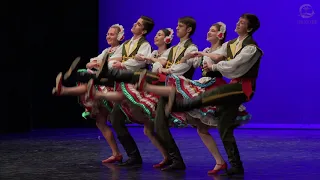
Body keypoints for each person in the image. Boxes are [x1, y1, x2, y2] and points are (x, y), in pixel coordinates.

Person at [144, 13, 262, 176]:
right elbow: (217, 55)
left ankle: (180, 105)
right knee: (221, 128)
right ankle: (231, 164)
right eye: (238, 21)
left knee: (212, 94)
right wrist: (202, 55)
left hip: (240, 88)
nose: (238, 24)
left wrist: (213, 65)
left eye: (242, 23)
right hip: (230, 87)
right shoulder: (231, 44)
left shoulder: (251, 48)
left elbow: (234, 66)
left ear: (249, 28)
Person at [87, 27, 175, 168]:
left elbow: (141, 64)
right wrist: (105, 63)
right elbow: (113, 59)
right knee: (116, 119)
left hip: (141, 86)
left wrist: (122, 64)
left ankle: (173, 158)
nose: (134, 24)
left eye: (139, 24)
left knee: (151, 125)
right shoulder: (127, 45)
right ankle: (134, 156)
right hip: (126, 86)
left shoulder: (147, 46)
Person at [52, 24, 126, 164]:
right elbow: (90, 63)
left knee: (87, 84)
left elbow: (110, 64)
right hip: (101, 82)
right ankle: (116, 153)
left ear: (119, 37)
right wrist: (97, 64)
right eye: (107, 33)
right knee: (100, 122)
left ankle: (66, 90)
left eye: (111, 34)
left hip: (113, 85)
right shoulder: (106, 50)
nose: (108, 36)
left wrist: (99, 64)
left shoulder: (121, 49)